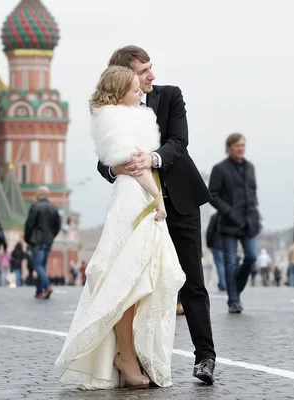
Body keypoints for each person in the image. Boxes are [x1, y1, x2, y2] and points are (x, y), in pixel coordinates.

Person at [55, 66, 186, 390]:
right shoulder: (116, 121)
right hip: (134, 199)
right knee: (127, 281)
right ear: (119, 92)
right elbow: (132, 165)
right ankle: (125, 356)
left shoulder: (127, 116)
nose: (141, 91)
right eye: (134, 87)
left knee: (149, 277)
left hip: (139, 195)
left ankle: (132, 353)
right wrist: (158, 198)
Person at [94, 46, 216, 384]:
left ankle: (205, 356)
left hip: (179, 202)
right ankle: (136, 357)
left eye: (151, 68)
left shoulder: (170, 96)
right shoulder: (111, 107)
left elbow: (179, 142)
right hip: (139, 208)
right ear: (125, 75)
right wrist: (115, 167)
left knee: (192, 282)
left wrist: (152, 158)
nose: (152, 75)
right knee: (139, 285)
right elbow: (103, 161)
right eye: (144, 70)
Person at [208, 133, 260, 313]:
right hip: (229, 222)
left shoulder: (250, 168)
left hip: (249, 222)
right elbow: (211, 195)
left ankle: (235, 287)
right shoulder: (220, 169)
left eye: (243, 145)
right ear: (229, 148)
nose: (241, 148)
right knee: (230, 263)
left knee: (252, 256)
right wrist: (228, 211)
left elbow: (252, 194)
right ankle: (233, 300)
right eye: (237, 145)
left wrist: (255, 215)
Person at [24, 186, 61, 299]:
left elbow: (29, 224)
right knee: (42, 266)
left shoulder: (35, 206)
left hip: (37, 241)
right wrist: (51, 236)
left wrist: (27, 238)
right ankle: (39, 291)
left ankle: (47, 286)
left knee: (37, 265)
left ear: (38, 194)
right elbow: (57, 226)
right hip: (48, 241)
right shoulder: (53, 208)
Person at [206, 212, 226, 291]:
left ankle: (223, 284)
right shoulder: (228, 215)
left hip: (216, 245)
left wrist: (209, 244)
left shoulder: (214, 216)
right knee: (227, 265)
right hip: (227, 245)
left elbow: (210, 231)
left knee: (220, 265)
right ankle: (225, 284)